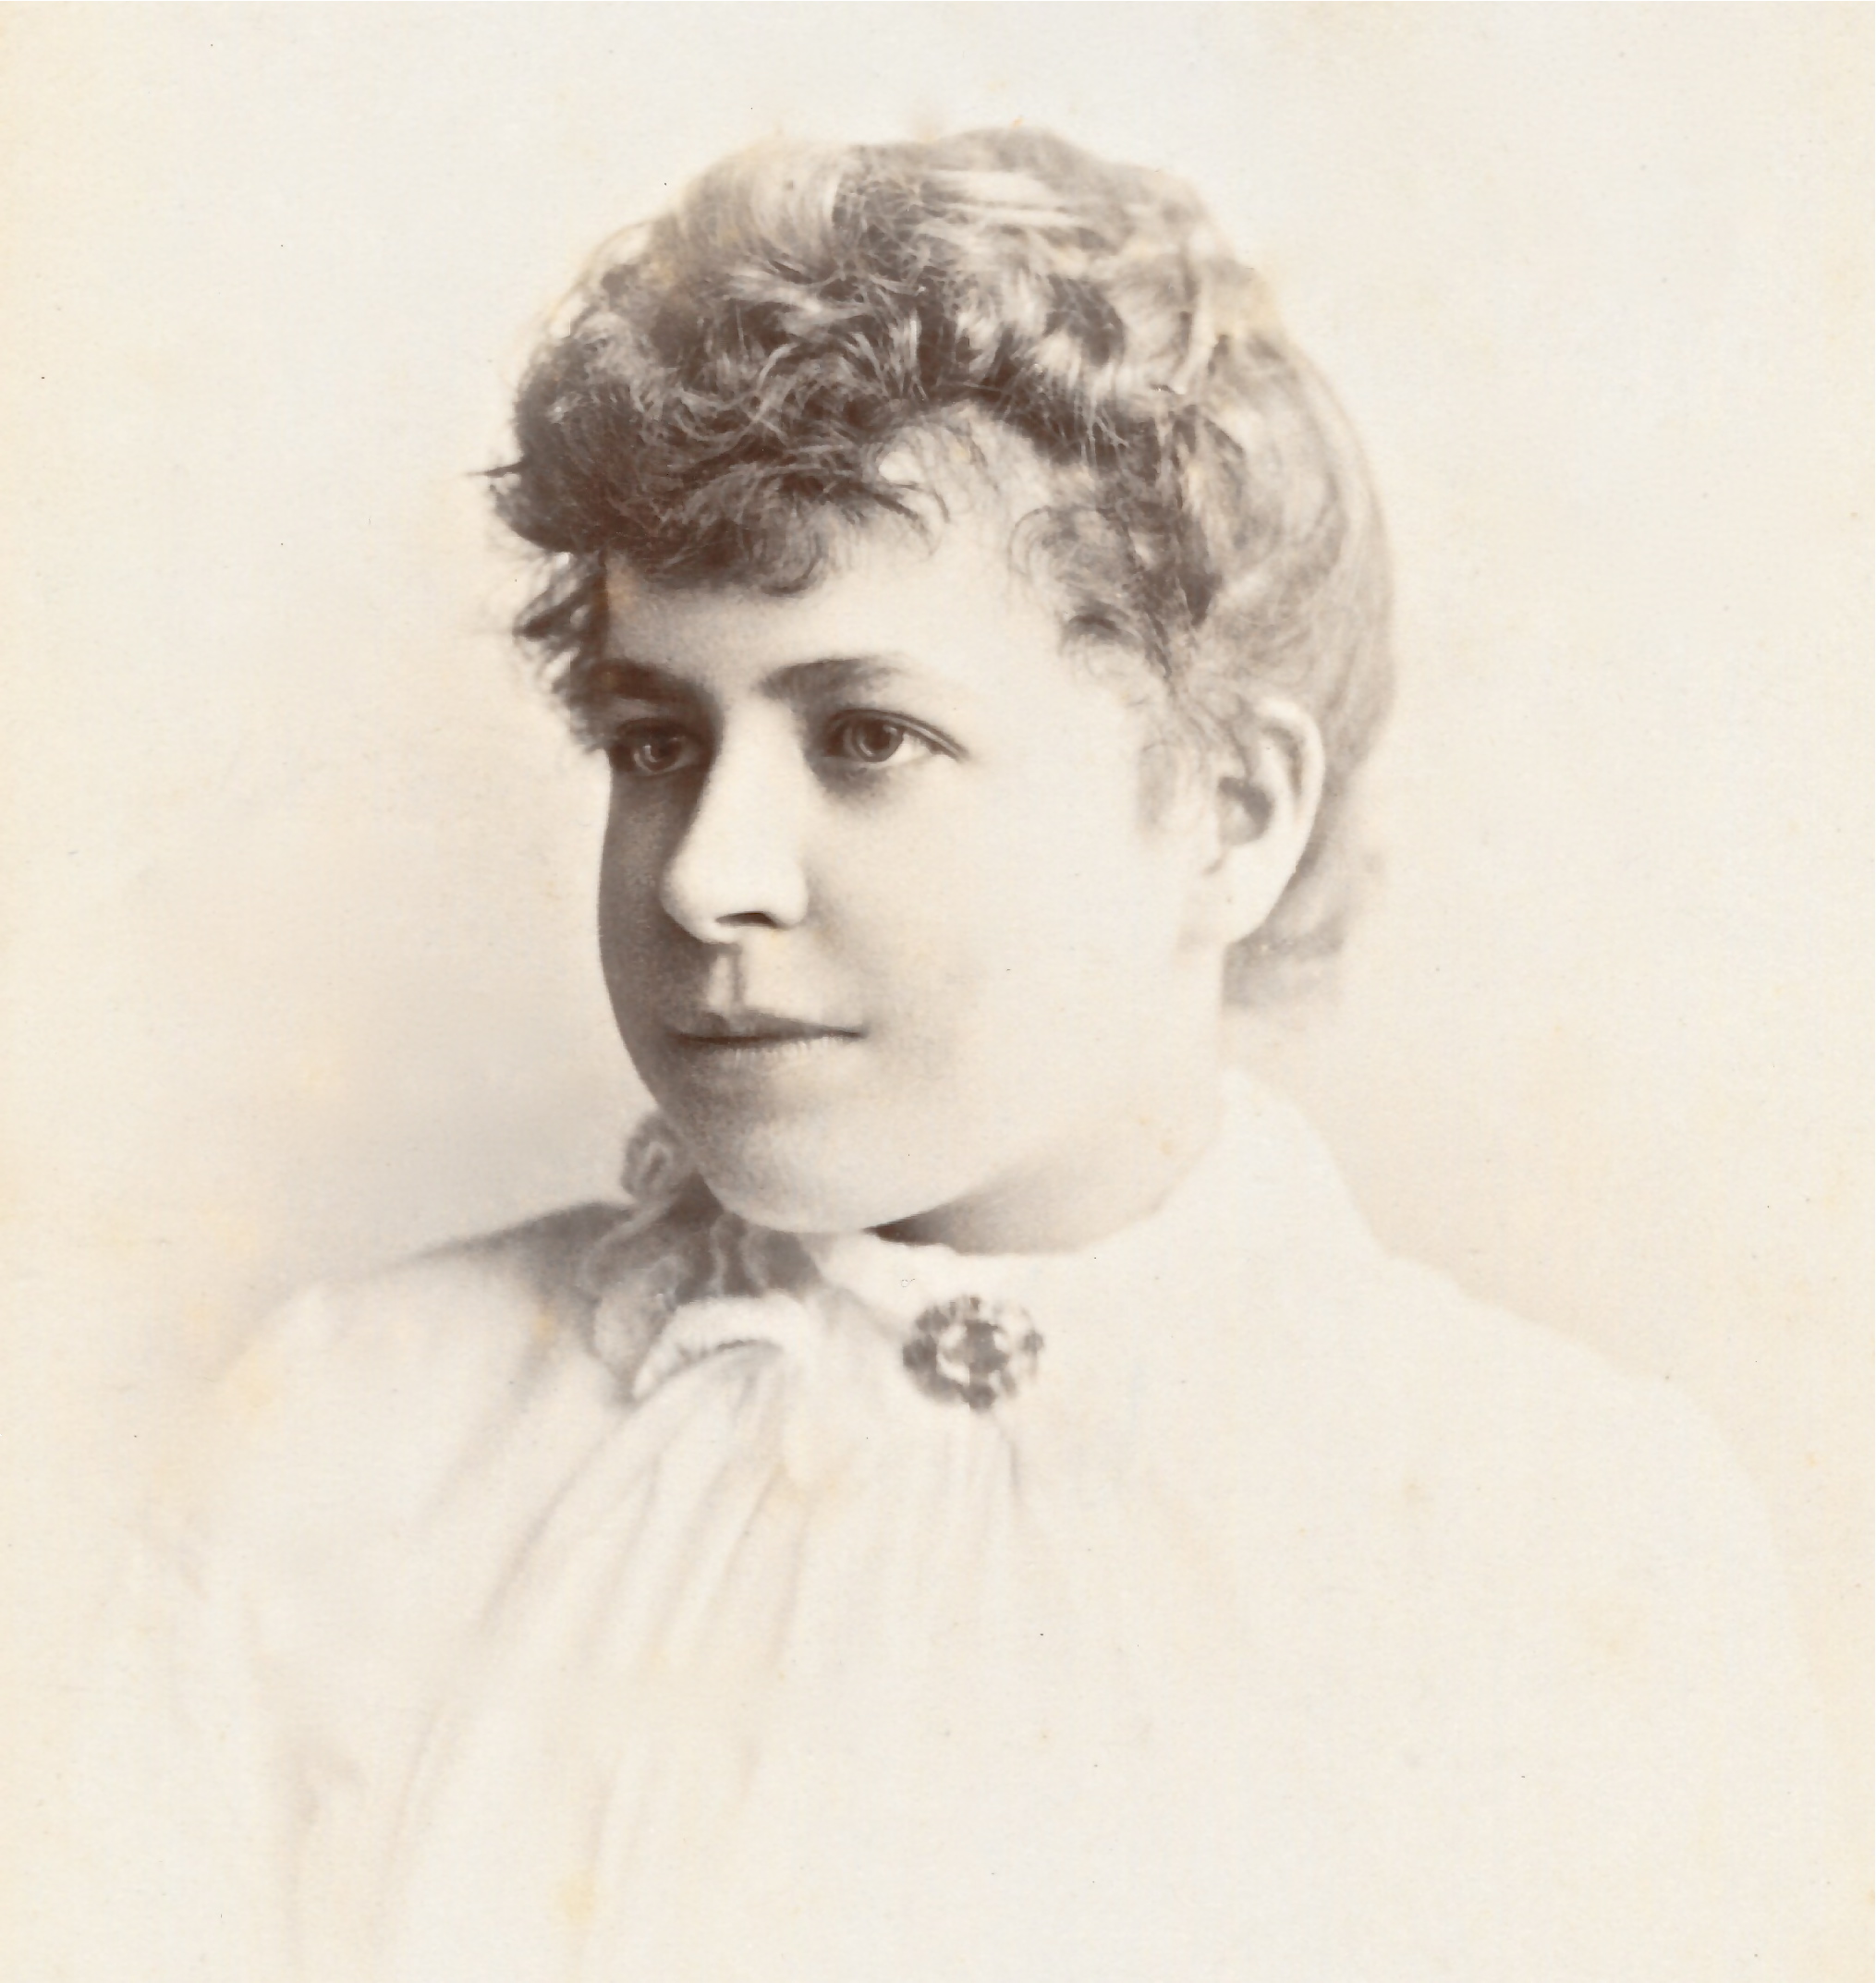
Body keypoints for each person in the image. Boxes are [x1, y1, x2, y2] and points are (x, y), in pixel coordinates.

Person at [69, 129, 1840, 1980]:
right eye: (657, 741)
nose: (705, 875)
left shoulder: (1564, 1537)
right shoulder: (353, 1443)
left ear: (1228, 810)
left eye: (867, 739)